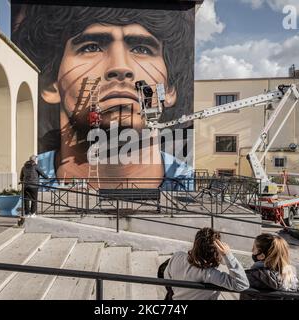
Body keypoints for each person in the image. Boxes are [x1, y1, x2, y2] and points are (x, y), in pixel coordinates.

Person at [12, 5, 195, 185]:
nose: (120, 67)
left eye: (142, 49)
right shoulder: (36, 176)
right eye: (91, 47)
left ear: (170, 89)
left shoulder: (187, 182)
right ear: (51, 85)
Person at [162, 227, 249, 300]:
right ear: (216, 252)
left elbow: (166, 278)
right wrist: (228, 256)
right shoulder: (210, 274)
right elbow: (242, 285)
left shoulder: (177, 256)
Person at [240, 233, 299, 300]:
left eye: (254, 248)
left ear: (262, 256)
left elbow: (236, 281)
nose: (252, 250)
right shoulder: (292, 277)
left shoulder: (255, 276)